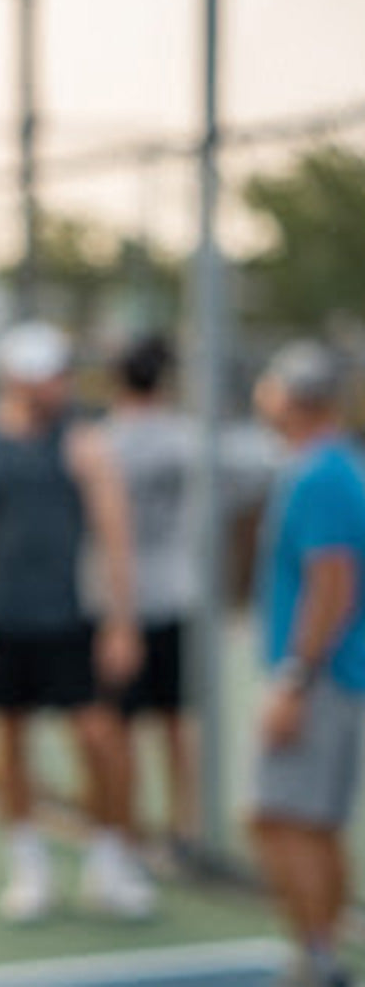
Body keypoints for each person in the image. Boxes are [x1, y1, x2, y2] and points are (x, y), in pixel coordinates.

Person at [0, 320, 155, 923]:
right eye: (47, 376)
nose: (57, 386)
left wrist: (122, 624)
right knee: (8, 741)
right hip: (1, 620)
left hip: (69, 621)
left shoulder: (86, 446)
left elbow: (115, 539)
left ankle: (111, 862)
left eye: (60, 375)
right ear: (16, 379)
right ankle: (28, 868)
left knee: (100, 738)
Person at [248, 340, 365, 987]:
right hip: (334, 676)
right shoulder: (333, 467)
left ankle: (318, 959)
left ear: (293, 398)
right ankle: (320, 953)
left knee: (279, 818)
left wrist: (295, 679)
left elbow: (332, 585)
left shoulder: (320, 475)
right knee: (312, 821)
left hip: (320, 679)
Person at [102, 333, 199, 862]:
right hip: (176, 592)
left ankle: (130, 835)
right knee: (177, 719)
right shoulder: (188, 440)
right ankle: (185, 829)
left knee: (121, 725)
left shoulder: (102, 443)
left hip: (116, 600)